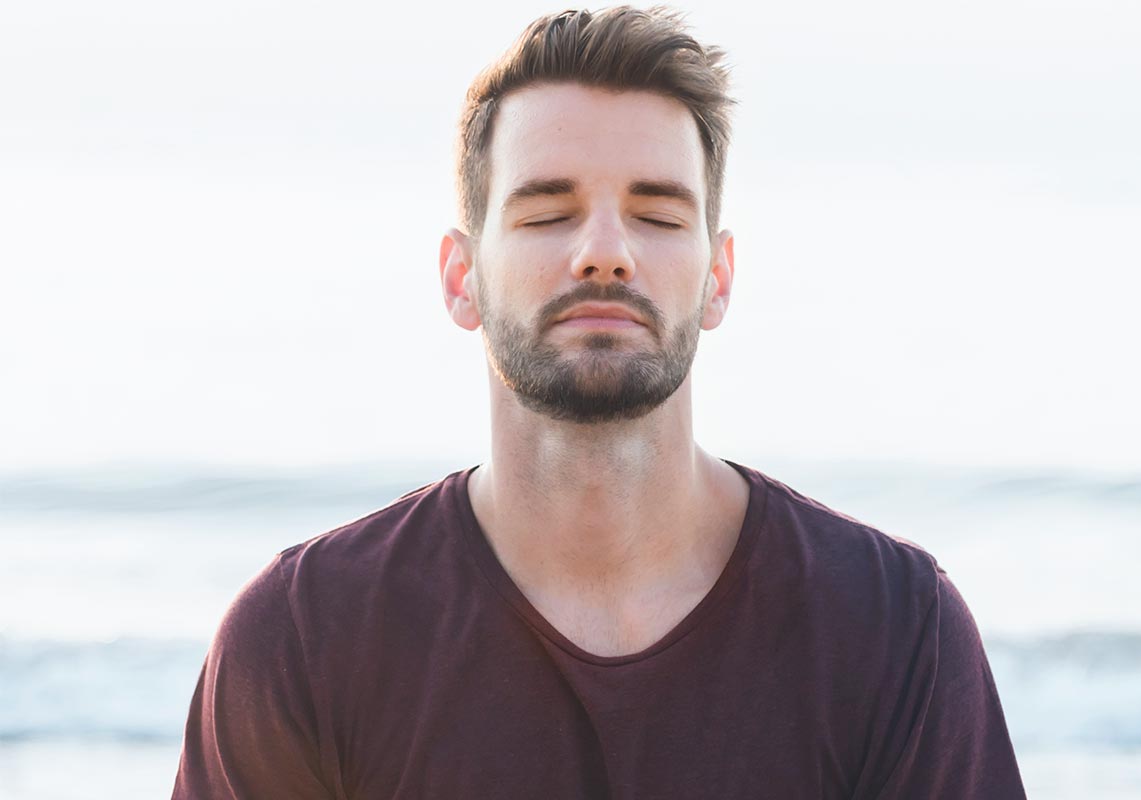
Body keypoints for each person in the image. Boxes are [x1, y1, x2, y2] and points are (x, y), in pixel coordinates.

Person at [173, 6, 1026, 798]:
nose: (605, 252)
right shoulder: (304, 637)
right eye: (548, 212)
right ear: (461, 276)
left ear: (718, 278)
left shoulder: (893, 631)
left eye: (657, 214)